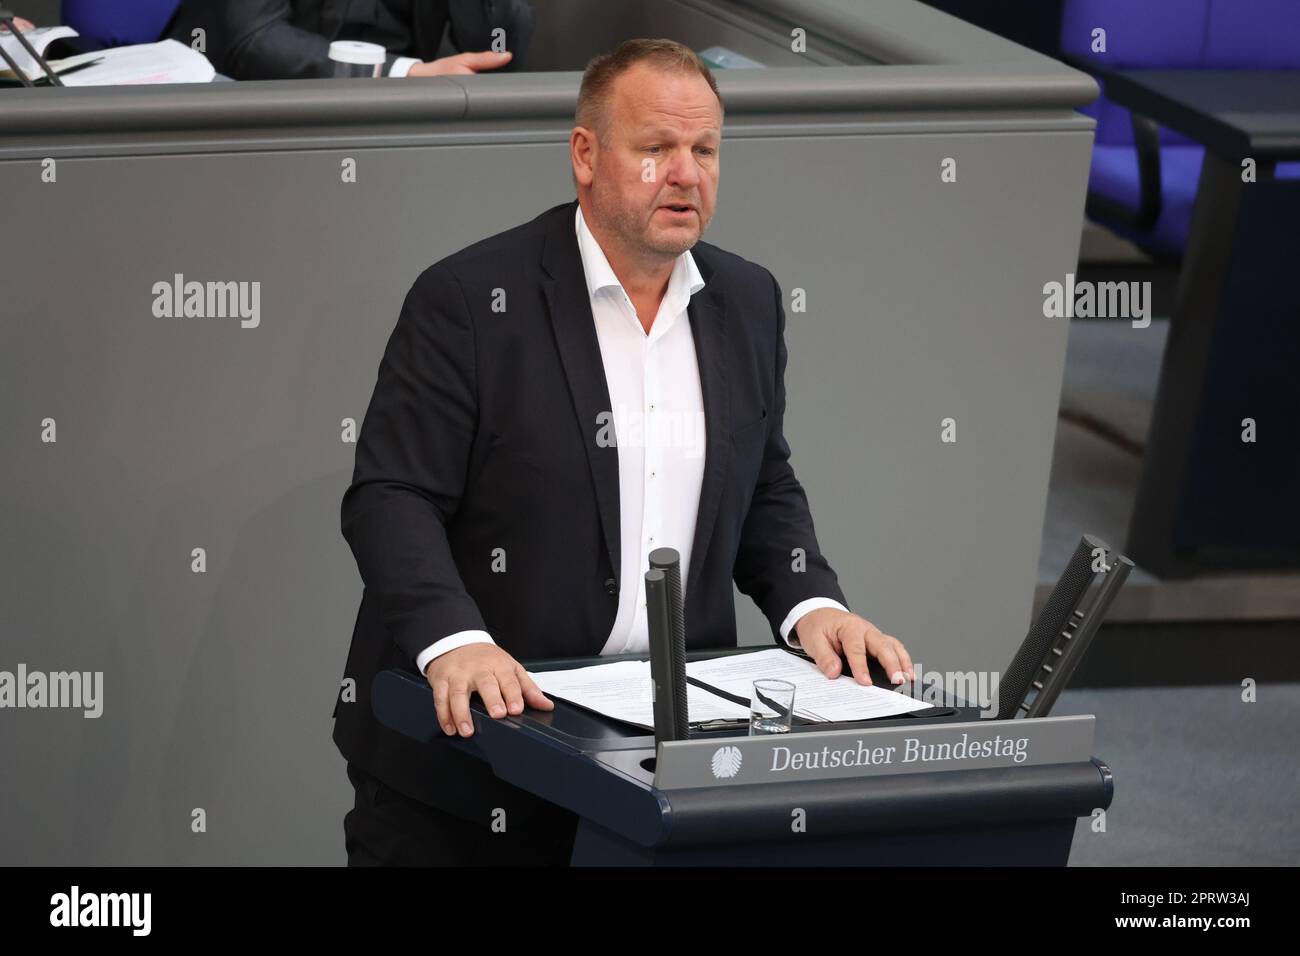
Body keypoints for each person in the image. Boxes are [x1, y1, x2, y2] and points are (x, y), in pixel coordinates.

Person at [334, 37, 916, 866]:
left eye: (705, 150)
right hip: (474, 761)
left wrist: (811, 605)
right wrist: (453, 639)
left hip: (661, 762)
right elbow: (391, 496)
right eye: (656, 150)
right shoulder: (469, 301)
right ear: (585, 155)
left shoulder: (744, 300)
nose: (686, 173)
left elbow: (763, 478)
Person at [165, 0, 534, 80]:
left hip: (396, 108)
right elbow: (256, 41)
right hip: (241, 103)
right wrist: (405, 72)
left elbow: (499, 51)